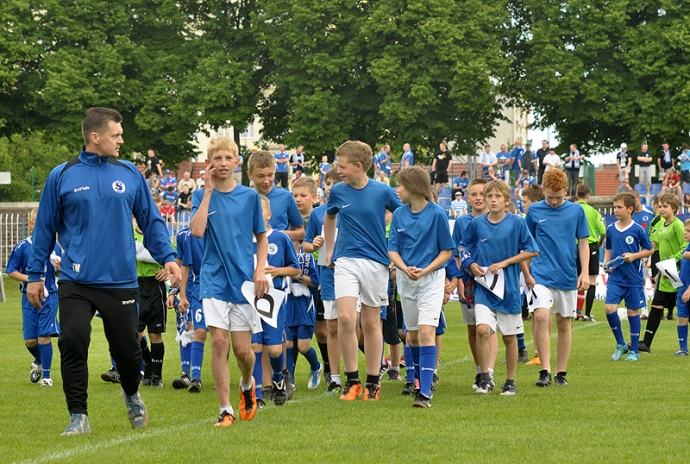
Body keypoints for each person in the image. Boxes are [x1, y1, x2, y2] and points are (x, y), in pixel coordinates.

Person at [26, 107, 180, 436]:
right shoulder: (61, 175)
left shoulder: (130, 173)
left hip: (120, 280)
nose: (121, 140)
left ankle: (132, 392)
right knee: (73, 340)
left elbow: (151, 221)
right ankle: (78, 416)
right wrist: (35, 276)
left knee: (127, 349)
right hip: (75, 280)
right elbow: (43, 230)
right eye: (116, 135)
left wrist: (168, 256)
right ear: (95, 137)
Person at [190, 135, 268, 427]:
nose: (223, 164)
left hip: (244, 281)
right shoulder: (200, 196)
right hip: (213, 279)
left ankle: (247, 384)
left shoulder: (249, 197)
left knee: (242, 351)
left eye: (228, 158)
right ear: (209, 163)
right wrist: (208, 192)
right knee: (219, 341)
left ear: (237, 163)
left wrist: (260, 271)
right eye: (217, 158)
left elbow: (261, 238)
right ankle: (225, 409)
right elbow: (197, 232)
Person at [324, 140, 402, 401]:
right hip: (345, 260)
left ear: (358, 166)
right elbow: (330, 216)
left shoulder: (383, 191)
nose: (338, 170)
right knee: (345, 318)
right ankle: (352, 381)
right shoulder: (338, 191)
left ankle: (373, 383)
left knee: (370, 322)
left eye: (342, 166)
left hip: (376, 263)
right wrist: (329, 251)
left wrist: (395, 253)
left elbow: (403, 217)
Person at [458, 180, 539, 395]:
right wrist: (470, 264)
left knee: (509, 338)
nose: (493, 200)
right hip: (484, 287)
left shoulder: (517, 223)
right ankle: (485, 377)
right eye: (489, 196)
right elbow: (463, 246)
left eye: (497, 196)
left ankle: (510, 381)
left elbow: (532, 250)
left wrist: (506, 262)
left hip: (509, 288)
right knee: (482, 329)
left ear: (506, 200)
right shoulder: (476, 224)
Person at [387, 166, 455, 407]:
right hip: (407, 280)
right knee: (412, 336)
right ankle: (416, 382)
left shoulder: (437, 214)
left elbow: (446, 251)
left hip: (431, 279)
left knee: (426, 333)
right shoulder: (398, 215)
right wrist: (404, 269)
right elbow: (392, 249)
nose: (397, 190)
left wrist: (425, 270)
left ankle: (424, 392)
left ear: (413, 187)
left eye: (400, 185)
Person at [524, 169, 590, 387]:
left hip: (567, 275)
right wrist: (527, 273)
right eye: (549, 196)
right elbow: (526, 244)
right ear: (543, 190)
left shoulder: (576, 212)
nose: (553, 201)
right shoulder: (533, 211)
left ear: (566, 191)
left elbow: (583, 243)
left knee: (563, 323)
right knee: (541, 317)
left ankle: (561, 372)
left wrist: (584, 272)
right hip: (541, 274)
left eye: (558, 197)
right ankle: (545, 370)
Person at [251, 195, 300, 408]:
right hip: (250, 299)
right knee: (254, 346)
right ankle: (257, 395)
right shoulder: (243, 239)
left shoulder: (280, 238)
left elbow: (296, 269)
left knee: (274, 350)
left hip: (275, 300)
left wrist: (278, 271)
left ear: (268, 214)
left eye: (259, 211)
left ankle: (279, 379)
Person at [452, 178, 500, 389]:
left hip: (494, 281)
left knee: (489, 327)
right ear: (467, 198)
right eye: (475, 194)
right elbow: (456, 254)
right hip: (470, 280)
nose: (479, 198)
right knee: (473, 328)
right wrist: (460, 280)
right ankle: (479, 368)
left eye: (484, 194)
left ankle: (488, 371)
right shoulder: (462, 222)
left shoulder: (498, 220)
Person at [6, 207, 61, 387]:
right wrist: (31, 279)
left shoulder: (56, 247)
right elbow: (11, 271)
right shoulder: (23, 247)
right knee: (30, 340)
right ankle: (38, 360)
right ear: (31, 223)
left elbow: (63, 271)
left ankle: (46, 376)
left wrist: (60, 268)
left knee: (44, 335)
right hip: (29, 297)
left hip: (50, 296)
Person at [304, 168, 343, 393]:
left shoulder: (352, 211)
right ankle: (335, 377)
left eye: (335, 182)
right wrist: (315, 244)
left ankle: (361, 374)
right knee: (332, 325)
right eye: (328, 183)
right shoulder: (318, 214)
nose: (331, 186)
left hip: (352, 272)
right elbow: (307, 244)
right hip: (327, 275)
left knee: (354, 326)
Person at [603, 192, 654, 361]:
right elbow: (608, 248)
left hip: (633, 278)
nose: (615, 210)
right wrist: (606, 263)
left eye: (619, 207)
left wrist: (634, 256)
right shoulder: (610, 228)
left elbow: (649, 249)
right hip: (616, 277)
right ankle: (621, 344)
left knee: (633, 312)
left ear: (630, 209)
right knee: (610, 308)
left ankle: (634, 352)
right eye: (614, 206)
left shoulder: (638, 229)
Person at [292, 176, 331, 387]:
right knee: (292, 329)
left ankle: (327, 367)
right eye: (295, 196)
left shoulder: (320, 217)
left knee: (322, 330)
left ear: (314, 197)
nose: (298, 199)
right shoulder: (290, 221)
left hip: (319, 279)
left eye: (302, 196)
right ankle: (290, 374)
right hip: (296, 286)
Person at [640, 193, 687, 352]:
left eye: (665, 206)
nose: (661, 209)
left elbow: (684, 248)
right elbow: (657, 248)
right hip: (666, 271)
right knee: (656, 306)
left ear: (674, 208)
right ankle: (646, 344)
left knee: (685, 308)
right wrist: (656, 266)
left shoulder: (678, 225)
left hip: (677, 272)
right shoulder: (660, 225)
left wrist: (671, 263)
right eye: (660, 206)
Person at [169, 225, 207, 393]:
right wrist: (174, 292)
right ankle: (187, 373)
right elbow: (180, 265)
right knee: (186, 328)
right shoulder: (184, 235)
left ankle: (205, 374)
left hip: (207, 287)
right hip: (190, 289)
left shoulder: (218, 229)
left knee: (216, 333)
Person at [285, 241, 322, 391]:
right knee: (287, 345)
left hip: (304, 304)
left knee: (303, 347)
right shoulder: (281, 254)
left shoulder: (307, 256)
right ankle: (290, 381)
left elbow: (315, 281)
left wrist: (297, 276)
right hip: (287, 303)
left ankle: (316, 366)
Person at [247, 150, 305, 241]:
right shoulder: (244, 198)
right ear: (250, 175)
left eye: (270, 175)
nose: (266, 181)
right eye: (260, 176)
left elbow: (301, 232)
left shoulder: (286, 196)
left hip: (278, 252)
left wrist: (280, 235)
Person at [575, 185, 606, 322]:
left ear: (577, 195)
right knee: (592, 280)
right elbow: (603, 230)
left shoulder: (572, 209)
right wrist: (600, 242)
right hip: (591, 245)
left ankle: (574, 312)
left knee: (575, 279)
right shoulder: (594, 212)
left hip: (574, 245)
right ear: (588, 196)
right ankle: (587, 313)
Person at [674, 220, 690, 356]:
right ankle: (683, 349)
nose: (685, 232)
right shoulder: (687, 248)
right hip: (682, 287)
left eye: (688, 231)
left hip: (688, 290)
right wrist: (675, 274)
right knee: (682, 318)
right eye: (685, 230)